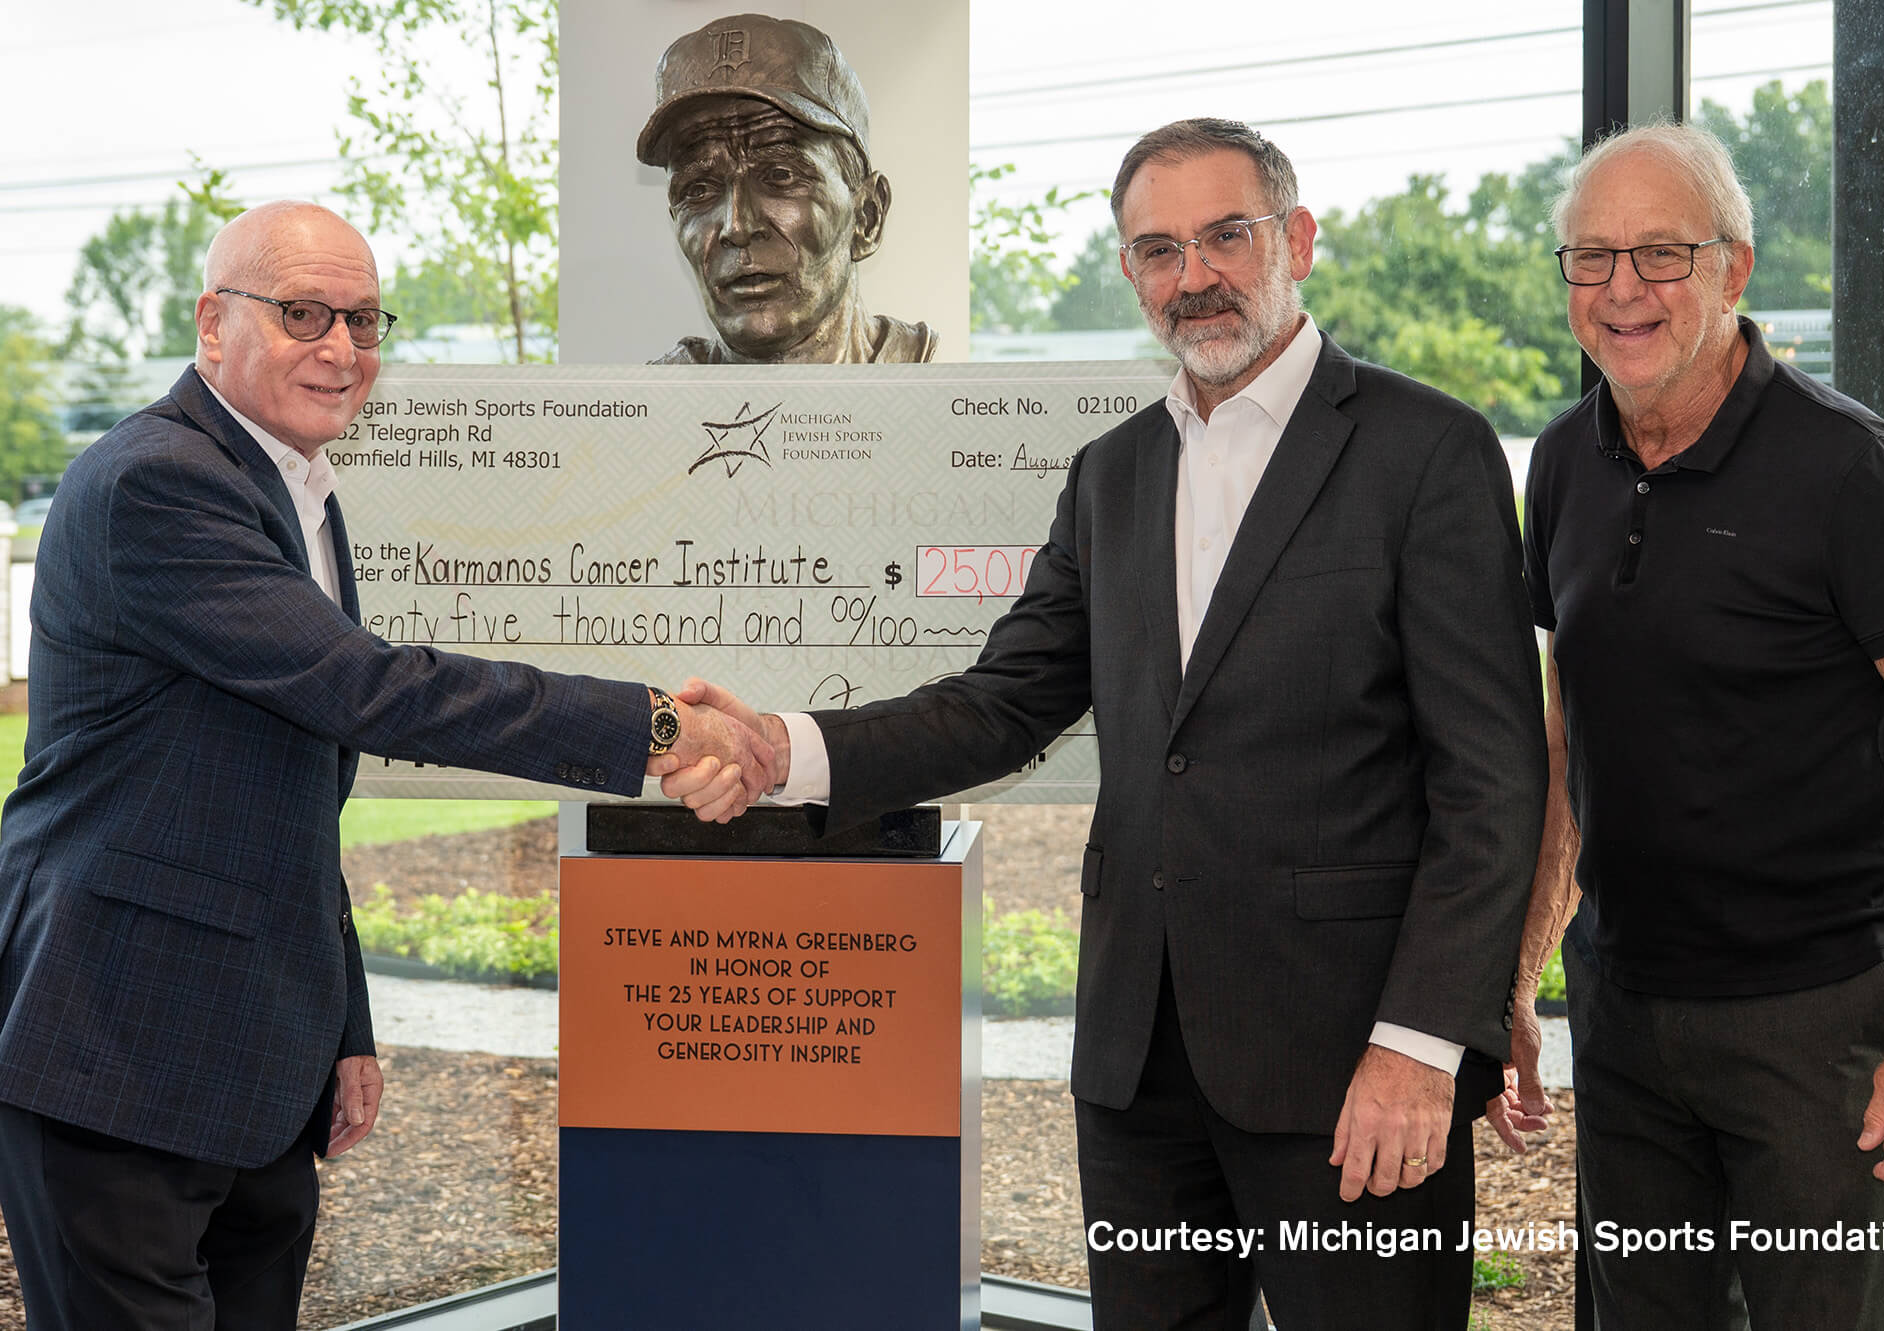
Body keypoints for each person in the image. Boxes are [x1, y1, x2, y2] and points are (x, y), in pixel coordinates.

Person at [661, 119, 1545, 1330]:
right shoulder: (1111, 473)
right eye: (1157, 249)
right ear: (1129, 272)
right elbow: (1003, 701)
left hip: (1349, 1064)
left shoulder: (1424, 449)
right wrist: (785, 747)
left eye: (1224, 236)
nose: (1193, 276)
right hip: (1138, 1066)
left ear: (1294, 238)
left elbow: (1490, 782)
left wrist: (1418, 1043)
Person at [0, 201, 770, 1331]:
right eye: (303, 312)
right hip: (115, 1051)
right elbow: (368, 687)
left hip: (254, 1065)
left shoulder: (296, 487)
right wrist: (655, 727)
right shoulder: (156, 483)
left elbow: (291, 787)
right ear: (214, 323)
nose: (341, 347)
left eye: (362, 320)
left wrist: (343, 1023)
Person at [1490, 122, 1884, 1330]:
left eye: (1661, 254)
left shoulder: (1848, 472)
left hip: (1817, 1023)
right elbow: (1572, 743)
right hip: (1620, 1010)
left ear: (1735, 267)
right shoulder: (1563, 462)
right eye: (1590, 257)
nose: (1621, 290)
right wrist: (1516, 978)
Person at [635, 12, 936, 365]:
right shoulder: (654, 404)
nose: (737, 227)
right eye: (699, 190)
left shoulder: (938, 393)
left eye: (780, 176)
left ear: (867, 217)